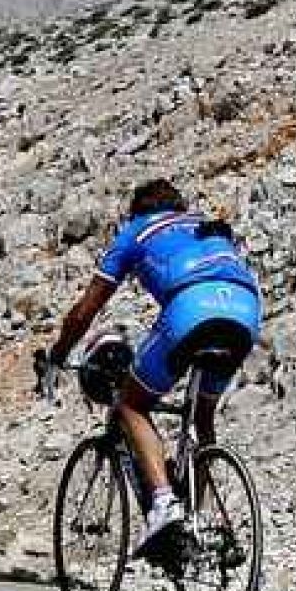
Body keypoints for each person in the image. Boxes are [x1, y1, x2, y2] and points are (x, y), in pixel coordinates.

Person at [40, 179, 263, 560]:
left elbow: (85, 311)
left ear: (137, 211)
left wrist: (57, 354)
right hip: (245, 309)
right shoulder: (199, 223)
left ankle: (163, 505)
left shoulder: (134, 233)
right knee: (203, 415)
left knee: (131, 405)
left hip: (190, 307)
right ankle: (197, 519)